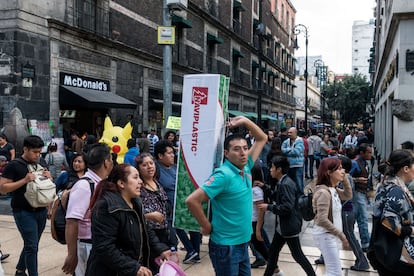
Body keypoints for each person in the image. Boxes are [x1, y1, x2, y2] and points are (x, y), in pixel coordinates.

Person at [186, 116, 267, 276]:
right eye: (237, 149)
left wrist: (244, 121)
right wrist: (206, 225)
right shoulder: (224, 175)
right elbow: (192, 200)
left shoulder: (246, 167)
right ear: (226, 153)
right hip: (226, 247)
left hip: (242, 242)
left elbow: (262, 137)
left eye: (245, 148)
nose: (243, 153)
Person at [85, 164, 171, 276]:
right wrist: (133, 267)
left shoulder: (136, 202)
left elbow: (146, 230)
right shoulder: (107, 207)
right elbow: (104, 247)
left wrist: (160, 249)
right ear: (121, 183)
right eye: (135, 178)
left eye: (139, 177)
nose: (140, 181)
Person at [0, 135, 51, 276]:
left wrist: (49, 178)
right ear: (25, 149)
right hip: (23, 211)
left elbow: (45, 187)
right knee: (32, 246)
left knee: (32, 245)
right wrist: (24, 180)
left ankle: (20, 270)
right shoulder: (14, 165)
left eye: (39, 152)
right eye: (34, 152)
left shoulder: (41, 162)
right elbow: (2, 188)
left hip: (40, 209)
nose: (37, 155)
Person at [259, 155, 316, 276]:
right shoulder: (283, 182)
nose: (270, 170)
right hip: (283, 227)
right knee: (273, 253)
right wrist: (264, 187)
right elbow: (277, 197)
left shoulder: (285, 184)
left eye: (272, 167)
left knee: (297, 255)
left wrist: (269, 207)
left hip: (289, 226)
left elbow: (287, 207)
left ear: (279, 169)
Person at [62, 143, 113, 275]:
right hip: (87, 245)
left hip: (98, 244)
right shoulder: (84, 186)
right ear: (106, 162)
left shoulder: (101, 183)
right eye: (111, 159)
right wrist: (72, 255)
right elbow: (72, 222)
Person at [154, 140, 201, 264]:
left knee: (193, 225)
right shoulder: (156, 170)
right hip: (169, 208)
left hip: (183, 203)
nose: (172, 155)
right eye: (169, 153)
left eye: (172, 153)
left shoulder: (176, 167)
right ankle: (190, 250)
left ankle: (195, 252)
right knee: (175, 228)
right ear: (160, 156)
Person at [368, 149, 414, 275]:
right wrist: (410, 230)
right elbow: (389, 221)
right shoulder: (397, 190)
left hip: (383, 250)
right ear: (405, 168)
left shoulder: (386, 183)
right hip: (396, 252)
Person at [312, 158, 351, 276]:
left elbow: (348, 195)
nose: (343, 171)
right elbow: (321, 219)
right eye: (339, 169)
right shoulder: (324, 192)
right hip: (325, 236)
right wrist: (341, 235)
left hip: (330, 236)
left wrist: (345, 180)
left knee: (333, 270)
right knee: (335, 272)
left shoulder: (333, 189)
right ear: (329, 172)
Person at [135, 153, 176, 263]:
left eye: (151, 163)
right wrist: (149, 216)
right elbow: (134, 213)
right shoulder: (138, 187)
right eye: (144, 165)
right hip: (149, 235)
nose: (149, 167)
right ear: (138, 168)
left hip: (164, 231)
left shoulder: (157, 182)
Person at [349, 143, 373, 251]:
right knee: (362, 218)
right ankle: (365, 243)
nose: (370, 154)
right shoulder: (355, 163)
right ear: (362, 153)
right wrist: (357, 180)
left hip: (362, 192)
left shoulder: (366, 163)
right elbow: (346, 177)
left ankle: (356, 240)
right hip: (357, 193)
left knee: (358, 218)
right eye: (368, 152)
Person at [249, 161, 269, 269]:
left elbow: (261, 209)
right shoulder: (252, 189)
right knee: (259, 242)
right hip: (251, 222)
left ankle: (265, 259)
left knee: (259, 241)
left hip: (254, 222)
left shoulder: (256, 190)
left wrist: (257, 229)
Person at [281, 127, 305, 193]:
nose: (289, 134)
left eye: (291, 132)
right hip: (289, 165)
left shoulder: (300, 141)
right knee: (290, 182)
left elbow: (297, 152)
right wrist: (291, 149)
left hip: (298, 165)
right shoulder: (286, 141)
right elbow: (282, 150)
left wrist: (287, 151)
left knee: (299, 182)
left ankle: (300, 197)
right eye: (288, 132)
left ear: (295, 133)